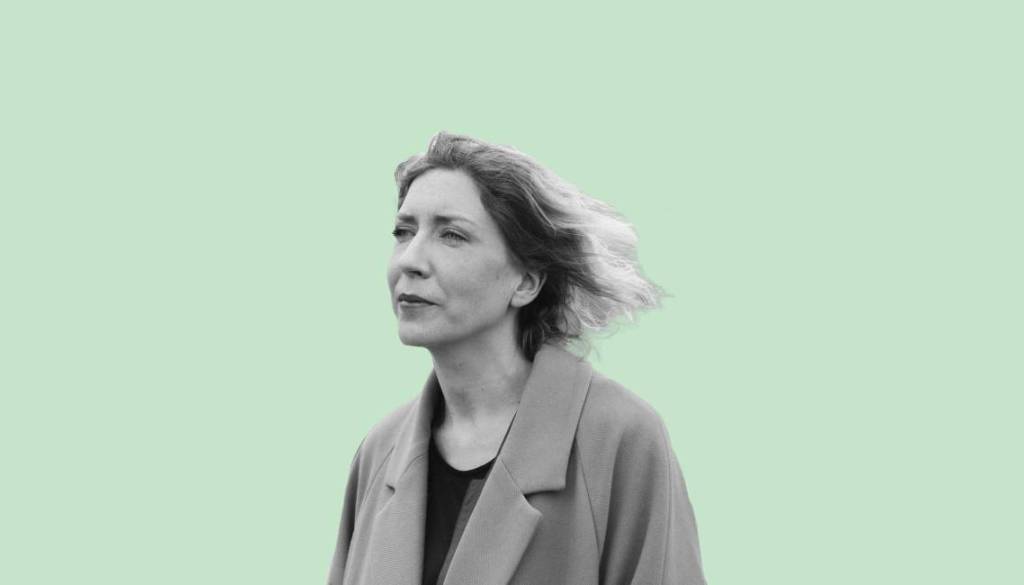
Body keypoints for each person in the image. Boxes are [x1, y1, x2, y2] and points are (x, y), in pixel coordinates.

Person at [327, 132, 706, 585]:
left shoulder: (620, 437)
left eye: (452, 235)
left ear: (526, 282)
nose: (410, 259)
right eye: (403, 231)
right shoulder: (380, 450)